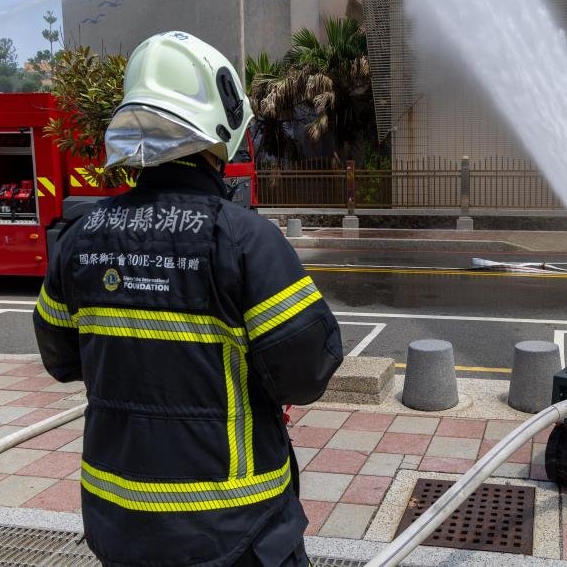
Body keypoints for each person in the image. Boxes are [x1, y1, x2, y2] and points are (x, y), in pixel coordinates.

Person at [33, 31, 342, 566]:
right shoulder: (244, 239)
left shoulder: (80, 237)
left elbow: (61, 361)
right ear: (218, 127)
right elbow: (306, 371)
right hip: (237, 527)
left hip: (118, 518)